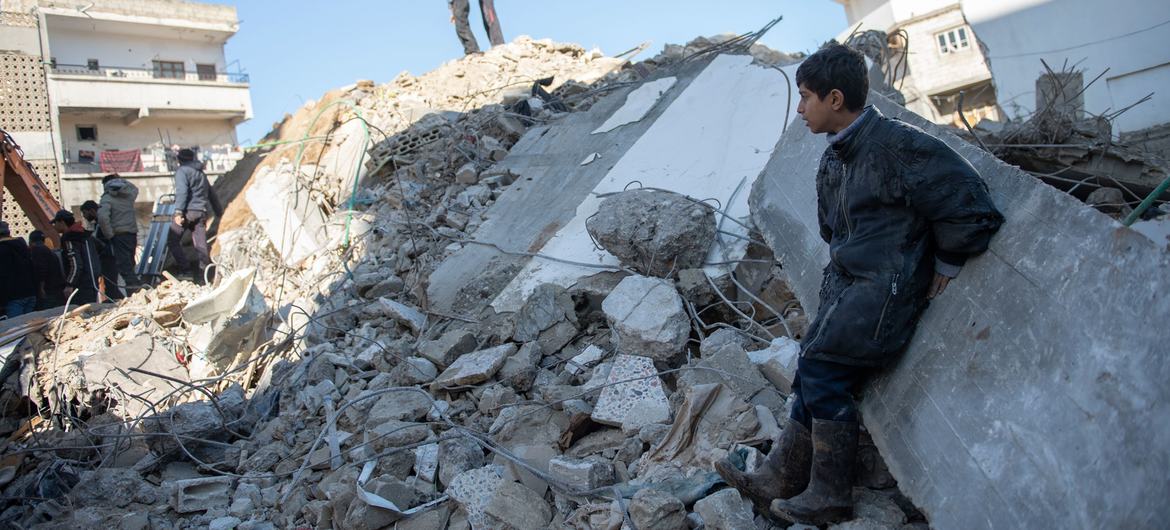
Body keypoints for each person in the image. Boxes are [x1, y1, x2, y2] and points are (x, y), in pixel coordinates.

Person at [713, 43, 1004, 526]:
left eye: (805, 97)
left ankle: (830, 495)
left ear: (833, 98)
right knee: (811, 369)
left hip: (885, 290)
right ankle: (781, 479)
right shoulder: (835, 157)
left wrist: (946, 262)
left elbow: (970, 205)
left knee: (824, 371)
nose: (800, 109)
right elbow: (833, 230)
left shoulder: (898, 146)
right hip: (849, 286)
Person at [168, 148, 212, 283]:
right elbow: (211, 192)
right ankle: (205, 272)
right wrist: (219, 211)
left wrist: (179, 212)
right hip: (201, 211)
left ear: (180, 159)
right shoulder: (201, 172)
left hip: (188, 212)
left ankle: (185, 270)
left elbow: (182, 192)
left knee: (173, 240)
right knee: (200, 243)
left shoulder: (182, 171)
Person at [97, 173, 141, 290]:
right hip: (132, 234)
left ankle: (135, 290)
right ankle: (134, 291)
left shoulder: (107, 198)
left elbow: (102, 218)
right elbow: (135, 188)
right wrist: (122, 181)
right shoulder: (129, 196)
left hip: (119, 235)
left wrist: (109, 234)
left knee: (124, 266)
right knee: (130, 264)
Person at [51, 209, 103, 306]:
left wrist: (70, 284)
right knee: (91, 308)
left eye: (55, 223)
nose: (54, 226)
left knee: (82, 311)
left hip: (81, 283)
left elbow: (75, 263)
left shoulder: (70, 238)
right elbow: (101, 247)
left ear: (62, 222)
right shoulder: (85, 235)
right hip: (92, 279)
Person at [80, 199, 123, 300]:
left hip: (110, 257)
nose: (85, 217)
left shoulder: (104, 221)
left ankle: (119, 303)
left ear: (91, 211)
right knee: (109, 286)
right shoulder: (98, 223)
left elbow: (108, 241)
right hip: (106, 257)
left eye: (85, 213)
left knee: (111, 286)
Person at [0, 222, 38, 318]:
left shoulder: (2, 250)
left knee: (17, 329)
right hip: (30, 293)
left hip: (13, 298)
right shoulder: (22, 246)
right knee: (30, 327)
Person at [28, 230, 66, 310]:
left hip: (48, 289)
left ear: (30, 241)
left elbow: (41, 270)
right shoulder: (49, 251)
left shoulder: (37, 250)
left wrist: (41, 287)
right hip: (57, 288)